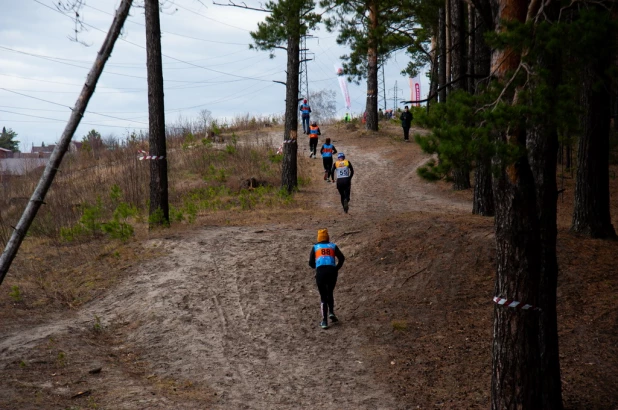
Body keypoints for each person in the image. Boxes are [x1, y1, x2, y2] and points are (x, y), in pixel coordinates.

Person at [308, 228, 345, 329]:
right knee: (330, 292)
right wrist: (337, 268)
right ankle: (331, 312)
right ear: (328, 237)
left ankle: (324, 321)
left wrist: (317, 267)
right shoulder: (333, 246)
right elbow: (342, 258)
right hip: (332, 272)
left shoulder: (315, 247)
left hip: (321, 273)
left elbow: (311, 263)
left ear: (318, 238)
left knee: (323, 296)